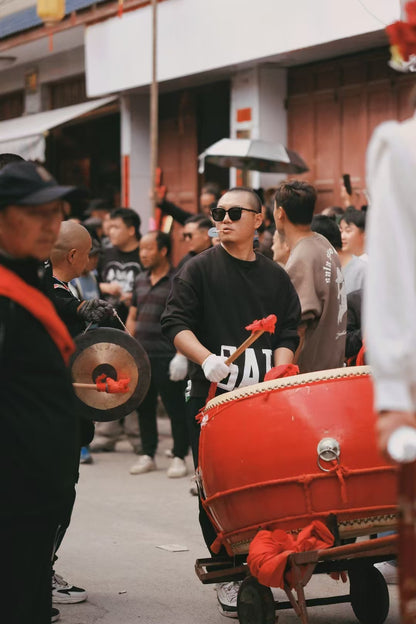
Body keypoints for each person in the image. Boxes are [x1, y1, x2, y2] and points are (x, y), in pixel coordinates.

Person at [161, 186, 301, 618]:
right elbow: (175, 323)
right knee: (215, 490)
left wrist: (280, 371)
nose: (223, 218)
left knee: (263, 486)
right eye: (217, 212)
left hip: (261, 399)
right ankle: (229, 572)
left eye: (234, 212)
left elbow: (288, 332)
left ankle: (260, 564)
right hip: (211, 400)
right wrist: (205, 361)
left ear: (259, 220)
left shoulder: (274, 276)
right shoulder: (198, 268)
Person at [0, 160, 81, 624]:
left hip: (35, 499)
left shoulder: (30, 279)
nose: (52, 224)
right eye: (38, 213)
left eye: (57, 212)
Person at [126, 231, 189, 478]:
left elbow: (184, 319)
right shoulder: (139, 279)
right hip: (141, 356)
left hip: (167, 356)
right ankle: (148, 454)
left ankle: (178, 456)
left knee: (175, 408)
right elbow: (132, 315)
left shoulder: (178, 280)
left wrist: (181, 354)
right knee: (144, 406)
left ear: (163, 251)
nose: (143, 254)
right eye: (141, 249)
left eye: (148, 249)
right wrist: (128, 349)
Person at [274, 180, 347, 373]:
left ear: (280, 213)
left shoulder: (302, 257)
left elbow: (298, 328)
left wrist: (284, 378)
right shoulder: (323, 243)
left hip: (311, 376)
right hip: (332, 368)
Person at [98, 207, 142, 323]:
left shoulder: (145, 255)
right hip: (105, 323)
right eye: (110, 227)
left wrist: (134, 298)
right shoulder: (104, 254)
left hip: (136, 322)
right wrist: (104, 287)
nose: (110, 232)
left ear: (131, 230)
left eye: (116, 227)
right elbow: (89, 282)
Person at [156, 182, 221, 226]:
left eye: (210, 207)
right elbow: (182, 216)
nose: (207, 210)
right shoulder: (201, 221)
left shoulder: (225, 220)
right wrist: (162, 203)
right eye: (204, 207)